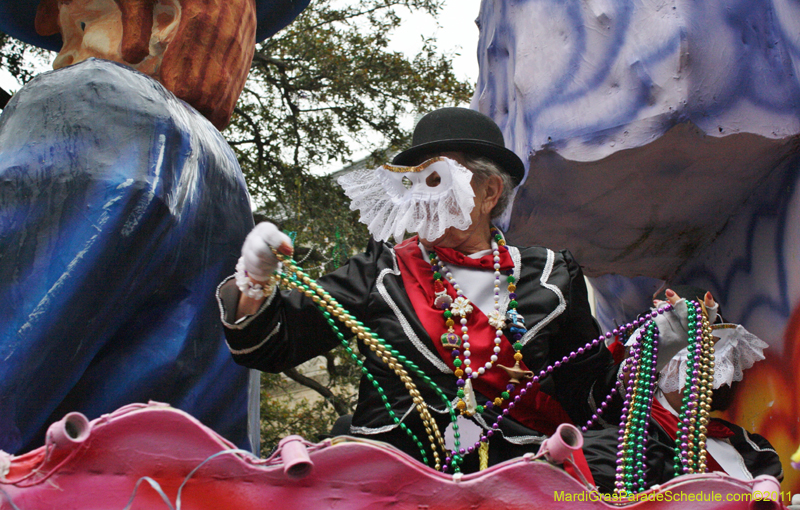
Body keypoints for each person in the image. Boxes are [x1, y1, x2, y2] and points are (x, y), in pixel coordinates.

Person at [218, 107, 693, 473]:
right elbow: (267, 345)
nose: (421, 196)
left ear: (488, 193)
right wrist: (255, 276)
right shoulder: (380, 270)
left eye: (436, 178)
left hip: (521, 476)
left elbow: (588, 398)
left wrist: (658, 345)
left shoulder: (549, 275)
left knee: (643, 452)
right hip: (396, 473)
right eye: (413, 182)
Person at [0, 0, 312, 454]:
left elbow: (18, 327)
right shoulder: (221, 168)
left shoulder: (93, 99)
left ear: (164, 20)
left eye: (83, 23)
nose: (63, 58)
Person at [583, 286, 783, 492]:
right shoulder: (626, 435)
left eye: (708, 346)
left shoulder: (749, 449)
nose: (699, 359)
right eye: (685, 344)